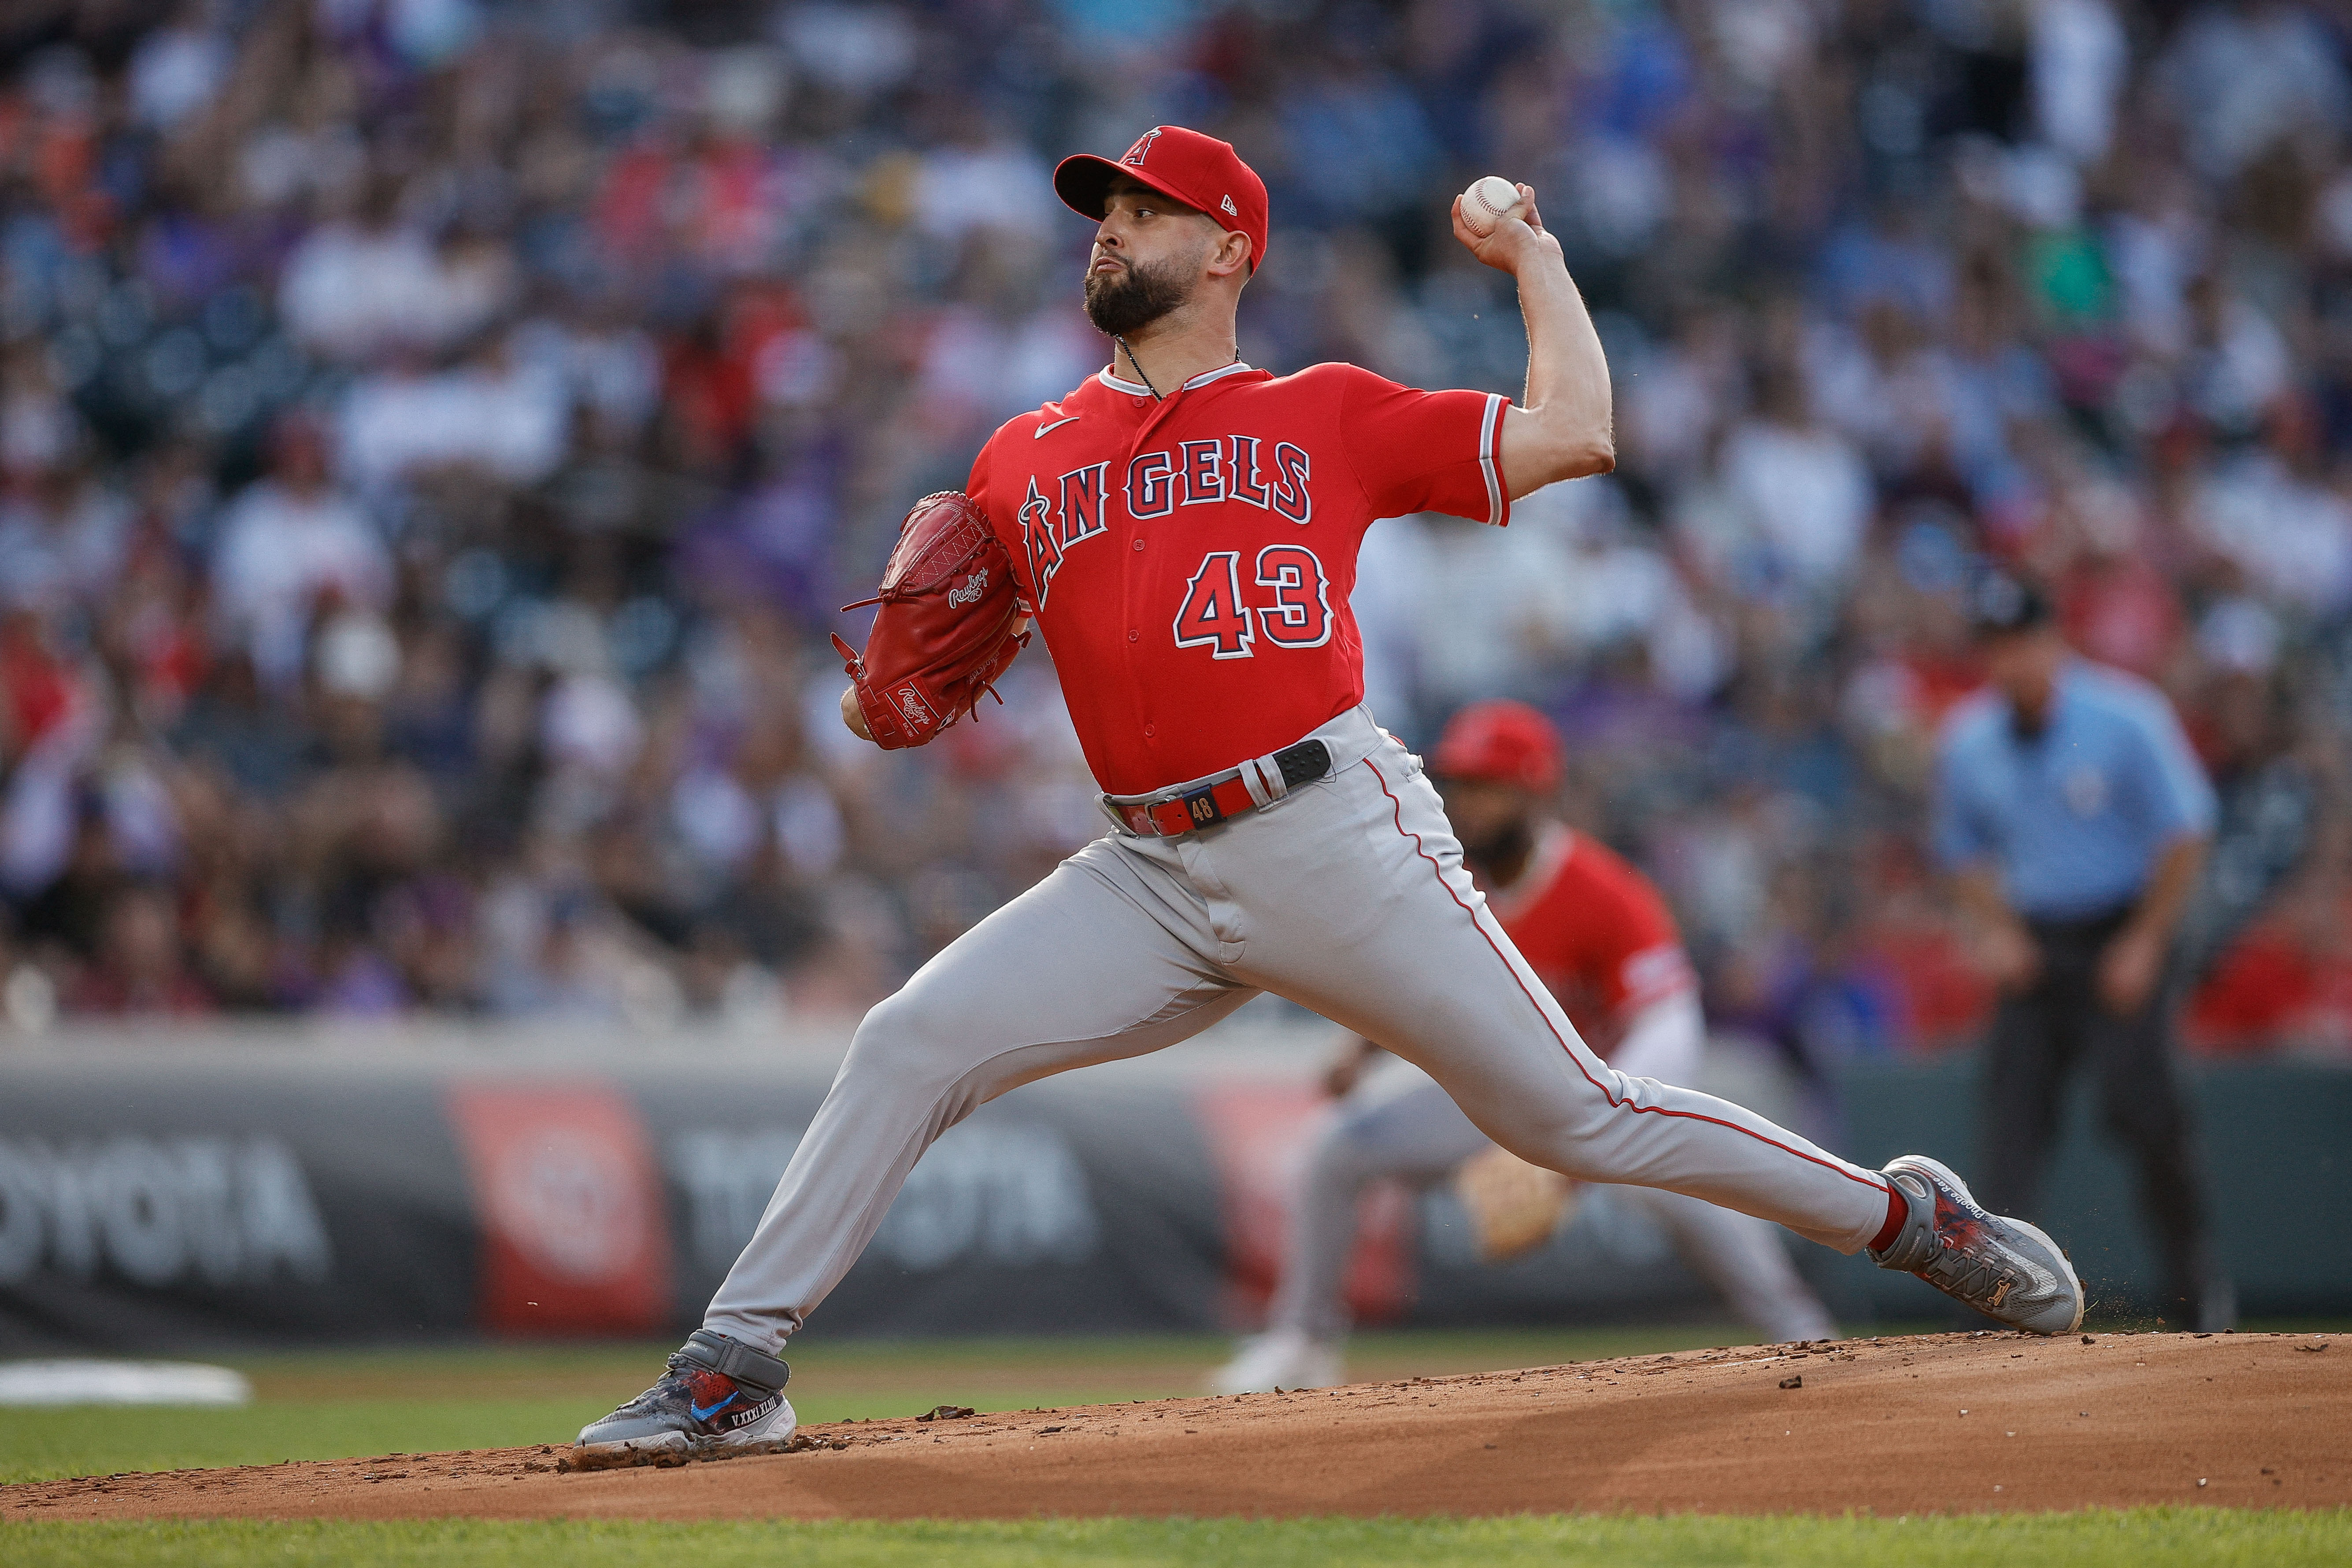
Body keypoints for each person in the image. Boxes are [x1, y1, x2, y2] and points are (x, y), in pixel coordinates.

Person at [577, 126, 2083, 1465]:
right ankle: (734, 1372)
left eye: (1148, 211)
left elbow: (1579, 433)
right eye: (1103, 210)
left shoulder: (1327, 413)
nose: (1110, 228)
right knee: (907, 1043)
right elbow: (945, 655)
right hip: (1148, 875)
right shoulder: (1022, 455)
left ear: (1232, 248)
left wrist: (1534, 256)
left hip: (1333, 830)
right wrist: (878, 694)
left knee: (1576, 1116)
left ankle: (1910, 1221)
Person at [1211, 701, 1836, 1394]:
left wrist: (1600, 1130)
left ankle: (1802, 1333)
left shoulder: (1603, 892)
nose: (1468, 803)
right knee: (1337, 1151)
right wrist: (1363, 1053)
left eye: (1488, 785)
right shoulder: (1440, 878)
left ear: (1536, 791)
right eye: (1461, 783)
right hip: (1483, 1093)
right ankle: (1301, 1342)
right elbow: (1412, 979)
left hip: (1594, 1093)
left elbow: (1671, 1020)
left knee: (1695, 1196)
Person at [1935, 572, 2226, 1328]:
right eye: (1996, 648)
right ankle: (1991, 1305)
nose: (2011, 662)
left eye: (2022, 643)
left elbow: (2186, 834)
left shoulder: (2125, 716)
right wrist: (1995, 931)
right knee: (2009, 1132)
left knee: (2147, 1113)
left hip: (2123, 929)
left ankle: (2198, 1294)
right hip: (2037, 944)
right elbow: (1962, 854)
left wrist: (2147, 940)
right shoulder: (1969, 740)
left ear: (2053, 639)